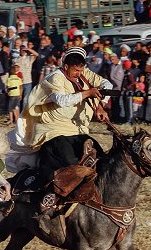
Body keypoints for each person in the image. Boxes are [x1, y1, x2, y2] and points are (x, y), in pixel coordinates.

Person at [19, 46, 112, 203]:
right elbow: (63, 100)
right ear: (66, 66)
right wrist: (88, 93)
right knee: (71, 165)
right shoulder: (55, 78)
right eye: (75, 70)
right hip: (53, 131)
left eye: (81, 70)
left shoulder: (84, 74)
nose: (78, 74)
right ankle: (52, 199)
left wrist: (100, 105)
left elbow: (106, 84)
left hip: (76, 130)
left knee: (99, 158)